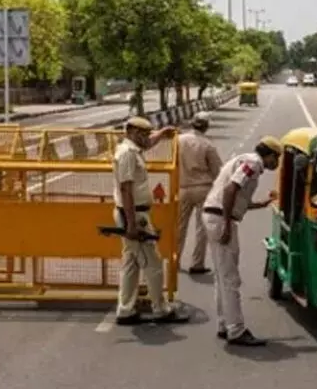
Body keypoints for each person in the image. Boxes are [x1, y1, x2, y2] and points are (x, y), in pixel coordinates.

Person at [202, 136, 282, 346]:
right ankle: (236, 330)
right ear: (270, 155)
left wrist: (262, 203)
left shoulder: (245, 160)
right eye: (277, 158)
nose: (278, 163)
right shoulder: (253, 164)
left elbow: (238, 200)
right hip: (220, 218)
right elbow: (230, 190)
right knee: (230, 278)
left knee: (222, 276)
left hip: (214, 215)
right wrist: (227, 225)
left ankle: (224, 324)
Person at [113, 116, 188, 325]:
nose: (146, 138)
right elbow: (126, 189)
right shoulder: (128, 154)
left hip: (134, 213)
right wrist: (131, 224)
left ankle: (126, 309)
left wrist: (162, 134)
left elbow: (149, 143)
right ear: (130, 132)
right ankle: (161, 309)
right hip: (134, 215)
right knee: (153, 262)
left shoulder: (132, 149)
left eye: (147, 134)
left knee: (131, 264)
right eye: (142, 134)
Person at [177, 111, 222, 274]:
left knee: (179, 227)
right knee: (201, 228)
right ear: (206, 126)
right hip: (203, 189)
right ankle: (197, 264)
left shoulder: (179, 141)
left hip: (182, 188)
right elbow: (217, 171)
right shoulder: (207, 145)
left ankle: (174, 260)